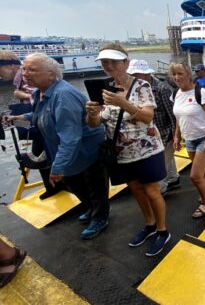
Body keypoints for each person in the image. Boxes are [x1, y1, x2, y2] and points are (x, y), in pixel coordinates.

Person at [7, 53, 109, 239]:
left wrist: (58, 166)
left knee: (93, 186)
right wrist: (20, 117)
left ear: (52, 75)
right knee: (75, 184)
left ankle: (100, 217)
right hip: (66, 150)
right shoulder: (40, 93)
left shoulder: (63, 95)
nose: (26, 73)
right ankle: (92, 209)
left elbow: (71, 137)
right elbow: (42, 115)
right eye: (24, 69)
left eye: (32, 69)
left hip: (86, 150)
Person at [86, 44, 170, 257]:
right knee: (136, 189)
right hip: (121, 151)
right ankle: (150, 225)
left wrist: (123, 103)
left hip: (147, 148)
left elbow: (147, 117)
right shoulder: (104, 88)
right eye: (105, 62)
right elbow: (96, 123)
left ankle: (162, 230)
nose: (109, 66)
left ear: (126, 63)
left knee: (152, 190)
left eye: (114, 61)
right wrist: (92, 113)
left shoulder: (142, 86)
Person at [0, 51, 63, 200]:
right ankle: (55, 186)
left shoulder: (27, 79)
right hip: (39, 119)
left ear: (11, 66)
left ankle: (56, 186)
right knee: (42, 153)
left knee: (43, 153)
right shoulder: (20, 80)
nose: (27, 73)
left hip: (44, 122)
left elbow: (39, 98)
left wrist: (23, 95)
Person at [170, 62, 205, 218]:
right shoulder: (175, 94)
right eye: (174, 74)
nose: (177, 77)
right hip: (189, 138)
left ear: (188, 75)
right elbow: (179, 117)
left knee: (195, 176)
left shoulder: (201, 92)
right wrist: (177, 135)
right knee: (202, 170)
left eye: (180, 74)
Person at [127, 59, 180, 195]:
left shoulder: (162, 89)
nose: (133, 78)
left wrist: (176, 136)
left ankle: (160, 190)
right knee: (167, 160)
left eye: (136, 75)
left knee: (161, 165)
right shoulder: (137, 88)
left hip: (164, 133)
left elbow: (173, 115)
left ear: (145, 75)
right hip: (150, 133)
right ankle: (173, 178)